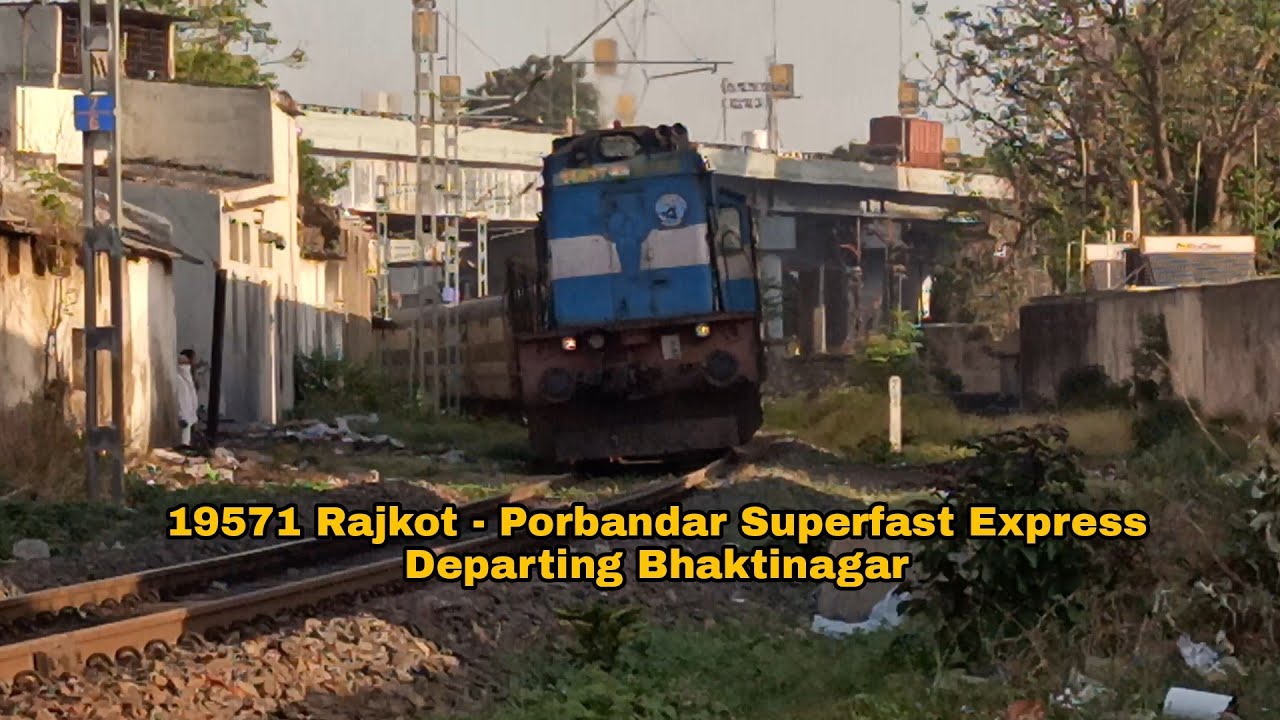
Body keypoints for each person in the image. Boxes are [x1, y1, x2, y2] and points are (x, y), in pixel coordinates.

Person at [176, 349, 199, 449]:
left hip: (188, 416)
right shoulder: (180, 380)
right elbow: (183, 400)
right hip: (184, 418)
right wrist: (183, 416)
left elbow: (191, 399)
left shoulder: (187, 379)